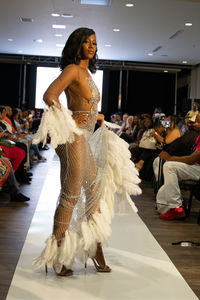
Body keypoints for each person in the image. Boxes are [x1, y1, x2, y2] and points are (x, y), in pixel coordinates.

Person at [33, 27, 141, 276]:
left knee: (94, 193)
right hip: (73, 138)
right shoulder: (72, 70)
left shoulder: (86, 73)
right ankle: (58, 256)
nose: (92, 46)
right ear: (77, 44)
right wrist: (68, 122)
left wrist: (96, 116)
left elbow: (84, 104)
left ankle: (94, 248)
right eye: (87, 42)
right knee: (70, 194)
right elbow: (49, 96)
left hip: (84, 137)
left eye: (95, 43)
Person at [156, 114, 200, 220]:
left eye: (198, 121)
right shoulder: (198, 136)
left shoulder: (177, 131)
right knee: (161, 203)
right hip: (195, 167)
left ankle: (177, 207)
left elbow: (191, 159)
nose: (195, 124)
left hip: (197, 168)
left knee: (169, 166)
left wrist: (170, 158)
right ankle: (177, 203)